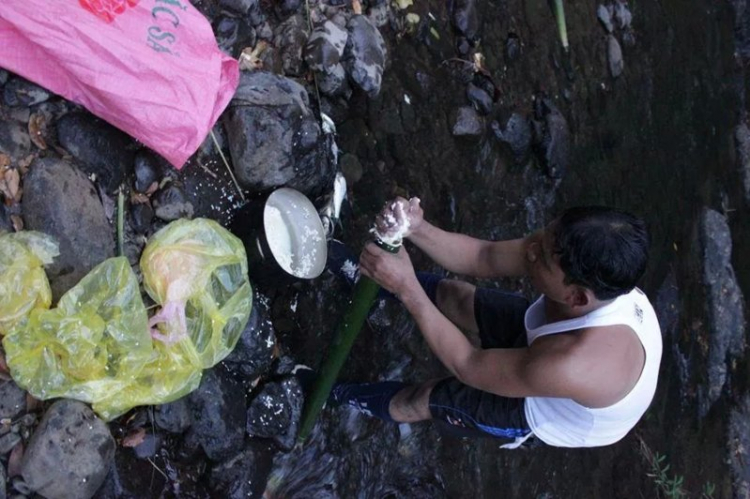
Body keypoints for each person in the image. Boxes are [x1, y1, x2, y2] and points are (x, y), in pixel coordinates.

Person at [329, 198, 662, 448]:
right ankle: (370, 285)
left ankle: (335, 394)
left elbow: (469, 364)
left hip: (542, 410)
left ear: (576, 298)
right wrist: (416, 227)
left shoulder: (573, 364)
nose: (529, 250)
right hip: (553, 341)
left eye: (540, 257)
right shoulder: (562, 253)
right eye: (544, 234)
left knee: (431, 396)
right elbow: (482, 256)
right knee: (457, 297)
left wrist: (406, 287)